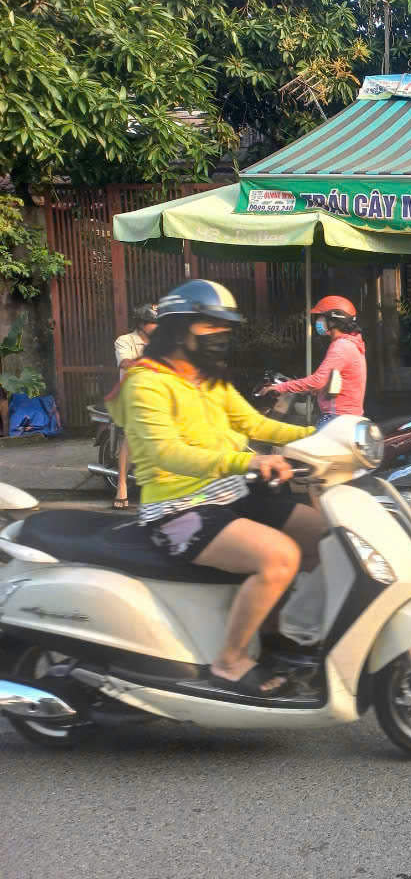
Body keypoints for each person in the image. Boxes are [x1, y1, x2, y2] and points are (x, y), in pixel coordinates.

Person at [107, 280, 326, 697]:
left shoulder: (208, 382)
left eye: (224, 327)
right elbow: (167, 451)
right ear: (178, 328)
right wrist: (248, 460)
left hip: (229, 493)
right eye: (209, 326)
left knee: (320, 534)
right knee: (281, 557)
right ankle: (229, 662)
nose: (220, 336)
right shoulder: (146, 383)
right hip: (175, 509)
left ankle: (273, 636)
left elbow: (255, 424)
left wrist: (321, 437)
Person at [260, 295, 366, 427]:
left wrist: (281, 387)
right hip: (348, 417)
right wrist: (302, 388)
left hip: (337, 419)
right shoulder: (349, 344)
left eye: (321, 317)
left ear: (333, 320)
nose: (318, 321)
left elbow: (317, 382)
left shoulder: (342, 347)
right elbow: (333, 381)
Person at [110, 304, 158, 510]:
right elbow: (125, 364)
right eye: (154, 323)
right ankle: (121, 486)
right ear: (141, 324)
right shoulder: (125, 341)